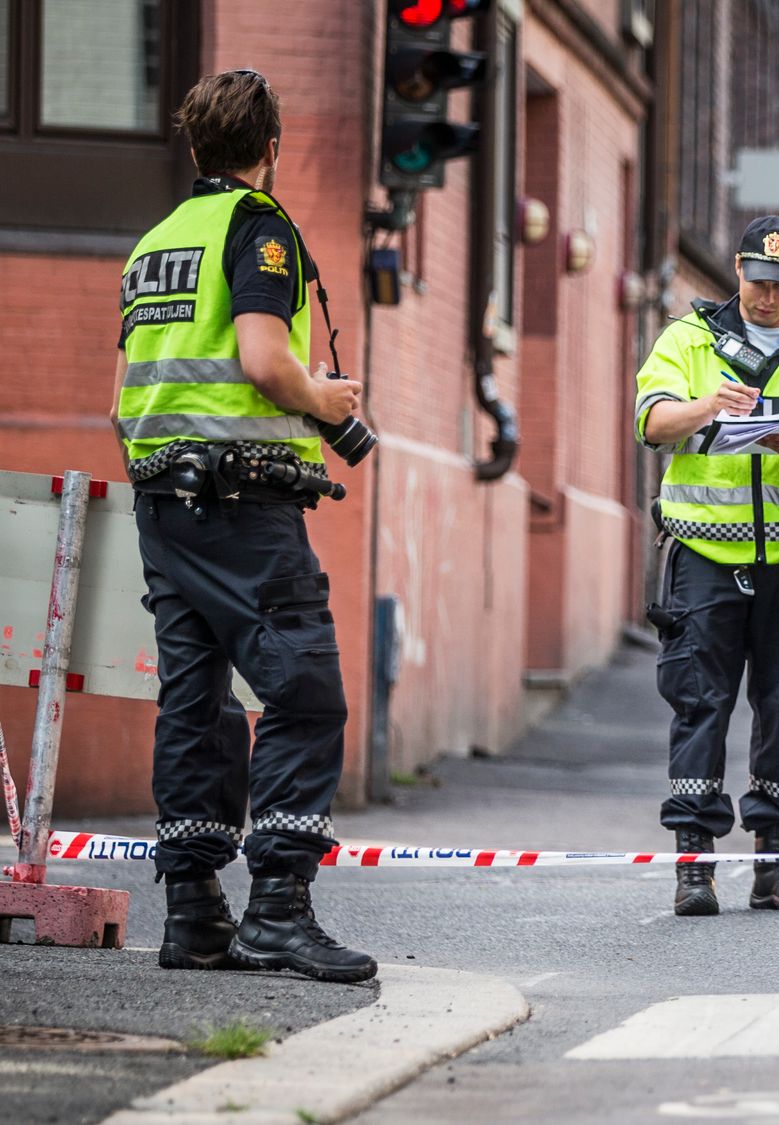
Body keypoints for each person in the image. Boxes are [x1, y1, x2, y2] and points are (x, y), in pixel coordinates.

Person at [116, 70, 373, 982]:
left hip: (163, 503)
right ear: (272, 148)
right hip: (241, 502)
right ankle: (278, 911)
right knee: (306, 693)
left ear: (194, 148)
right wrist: (325, 394)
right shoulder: (257, 227)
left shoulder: (155, 244)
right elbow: (265, 361)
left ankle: (194, 911)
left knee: (196, 701)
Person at [634, 216, 779, 916]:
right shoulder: (689, 338)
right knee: (699, 704)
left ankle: (777, 863)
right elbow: (651, 422)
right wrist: (707, 406)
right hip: (703, 554)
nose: (765, 297)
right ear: (736, 274)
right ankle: (694, 868)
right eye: (754, 282)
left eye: (778, 284)